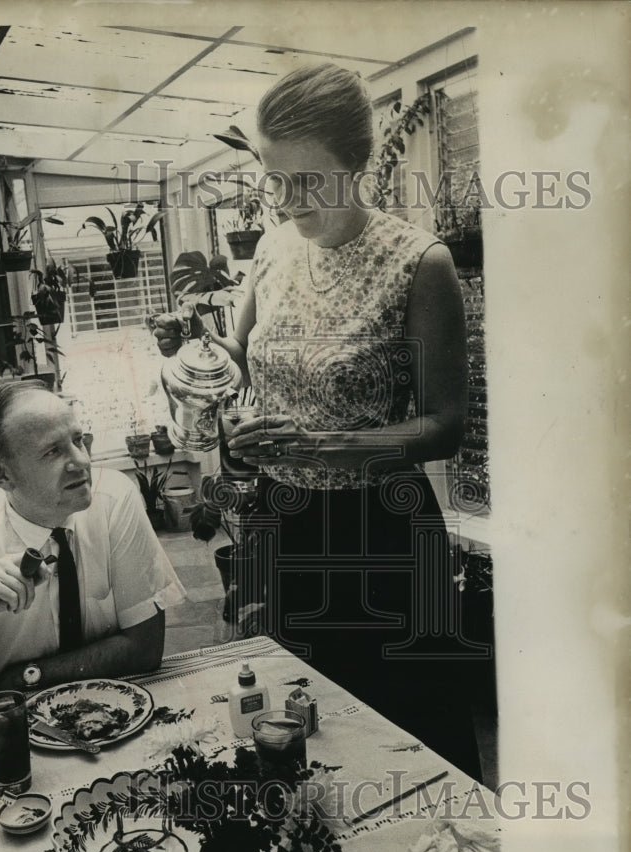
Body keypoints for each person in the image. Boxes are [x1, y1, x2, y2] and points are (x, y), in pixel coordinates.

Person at [154, 63, 483, 780]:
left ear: (358, 164)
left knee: (409, 740)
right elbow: (241, 355)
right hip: (282, 524)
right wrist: (206, 370)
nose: (284, 198)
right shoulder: (271, 250)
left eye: (307, 181)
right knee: (296, 733)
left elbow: (445, 425)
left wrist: (325, 445)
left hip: (384, 534)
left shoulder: (419, 263)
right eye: (274, 178)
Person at [0, 381, 185, 735]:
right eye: (52, 452)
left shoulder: (114, 499)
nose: (82, 462)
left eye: (79, 440)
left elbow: (145, 649)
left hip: (107, 711)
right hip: (6, 727)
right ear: (1, 473)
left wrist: (26, 676)